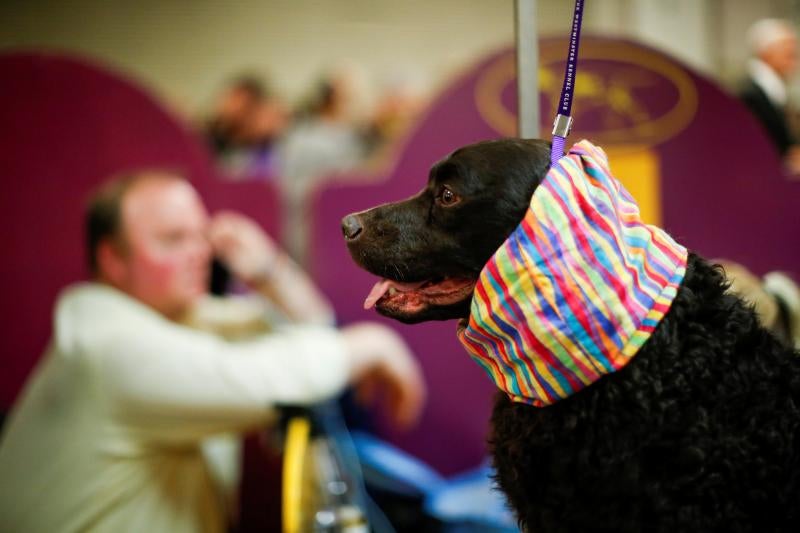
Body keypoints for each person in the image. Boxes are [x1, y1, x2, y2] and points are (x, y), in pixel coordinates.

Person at [0, 170, 425, 533]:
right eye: (174, 239)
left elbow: (310, 328)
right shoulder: (104, 344)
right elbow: (273, 377)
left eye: (201, 235)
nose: (201, 252)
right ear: (112, 258)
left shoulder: (180, 316)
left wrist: (270, 270)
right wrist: (376, 342)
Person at [739, 19, 800, 172]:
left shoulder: (775, 90)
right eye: (788, 53)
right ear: (766, 52)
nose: (794, 60)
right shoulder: (749, 94)